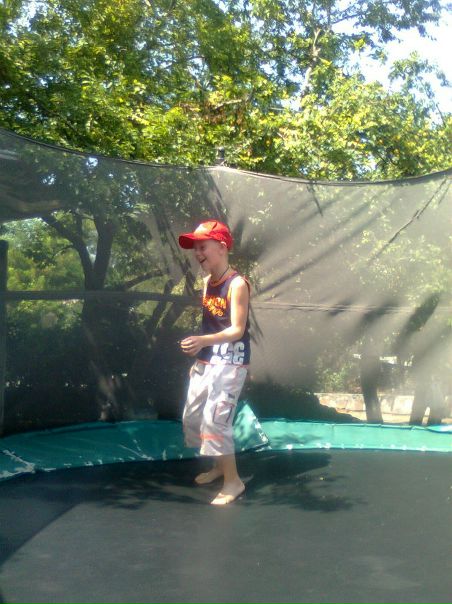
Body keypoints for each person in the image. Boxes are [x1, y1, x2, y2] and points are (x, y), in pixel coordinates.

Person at [178, 219, 251, 505]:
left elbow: (237, 330)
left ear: (221, 247)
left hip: (231, 361)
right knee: (193, 417)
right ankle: (220, 467)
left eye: (202, 247)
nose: (197, 253)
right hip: (209, 359)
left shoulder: (237, 284)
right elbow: (210, 324)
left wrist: (202, 342)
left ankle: (234, 481)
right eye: (195, 248)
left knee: (215, 420)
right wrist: (201, 357)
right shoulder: (207, 282)